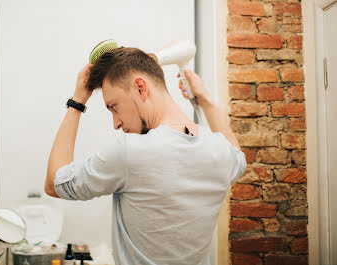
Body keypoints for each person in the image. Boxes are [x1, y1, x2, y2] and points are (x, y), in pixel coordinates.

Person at [44, 47, 246, 265]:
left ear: (140, 88)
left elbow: (54, 183)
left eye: (114, 107)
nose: (116, 123)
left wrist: (77, 101)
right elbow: (238, 157)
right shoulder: (219, 151)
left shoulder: (131, 152)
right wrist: (204, 100)